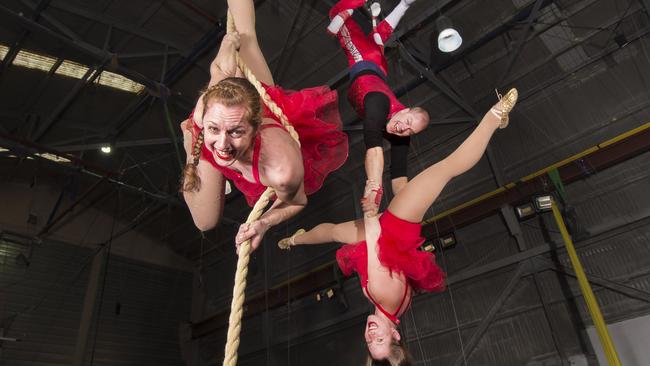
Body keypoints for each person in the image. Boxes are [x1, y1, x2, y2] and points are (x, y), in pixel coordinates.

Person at [277, 89, 518, 364]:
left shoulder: (395, 308)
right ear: (396, 335)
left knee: (334, 231)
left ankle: (294, 241)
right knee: (446, 169)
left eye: (369, 342)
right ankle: (494, 117)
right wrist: (370, 202)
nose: (369, 334)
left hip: (388, 232)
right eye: (379, 339)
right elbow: (375, 234)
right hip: (396, 222)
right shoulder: (382, 294)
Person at [180, 0, 348, 252]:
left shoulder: (282, 167)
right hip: (204, 127)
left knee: (246, 37)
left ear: (255, 127)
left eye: (236, 132)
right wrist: (228, 44)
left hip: (255, 123)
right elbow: (218, 71)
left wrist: (264, 222)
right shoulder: (206, 114)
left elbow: (297, 201)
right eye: (217, 129)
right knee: (204, 218)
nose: (223, 145)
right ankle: (190, 141)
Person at [328, 0, 428, 209]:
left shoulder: (402, 134)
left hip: (377, 63)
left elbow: (399, 174)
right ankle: (351, 10)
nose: (403, 129)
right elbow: (374, 149)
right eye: (407, 122)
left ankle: (401, 6)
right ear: (405, 110)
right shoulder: (378, 103)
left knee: (378, 37)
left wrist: (407, 207)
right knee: (338, 16)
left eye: (409, 131)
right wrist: (374, 189)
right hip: (365, 63)